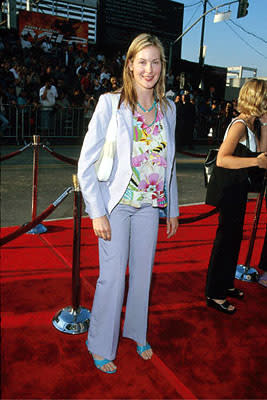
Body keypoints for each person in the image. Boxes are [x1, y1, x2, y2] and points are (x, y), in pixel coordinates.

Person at [78, 33, 179, 373]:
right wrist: (97, 212)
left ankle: (137, 332)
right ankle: (100, 343)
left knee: (141, 276)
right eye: (142, 61)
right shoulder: (111, 103)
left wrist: (173, 209)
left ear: (162, 67)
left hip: (150, 206)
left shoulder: (169, 108)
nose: (149, 69)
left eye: (155, 62)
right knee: (112, 277)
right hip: (116, 206)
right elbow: (85, 162)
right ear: (130, 65)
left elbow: (170, 161)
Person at [205, 78, 267, 314]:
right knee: (225, 240)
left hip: (239, 188)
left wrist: (265, 123)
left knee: (234, 238)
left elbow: (263, 154)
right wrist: (255, 161)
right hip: (228, 189)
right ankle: (214, 293)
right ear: (257, 99)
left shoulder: (253, 125)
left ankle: (226, 284)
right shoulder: (239, 124)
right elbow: (222, 159)